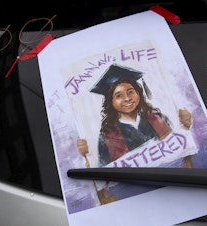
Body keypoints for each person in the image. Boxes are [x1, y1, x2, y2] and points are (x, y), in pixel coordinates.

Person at [76, 63, 193, 204]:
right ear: (110, 102)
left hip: (172, 188)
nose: (127, 98)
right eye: (119, 95)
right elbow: (104, 179)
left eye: (130, 91)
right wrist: (86, 157)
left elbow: (182, 156)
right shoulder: (107, 136)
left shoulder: (157, 119)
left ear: (138, 92)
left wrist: (185, 128)